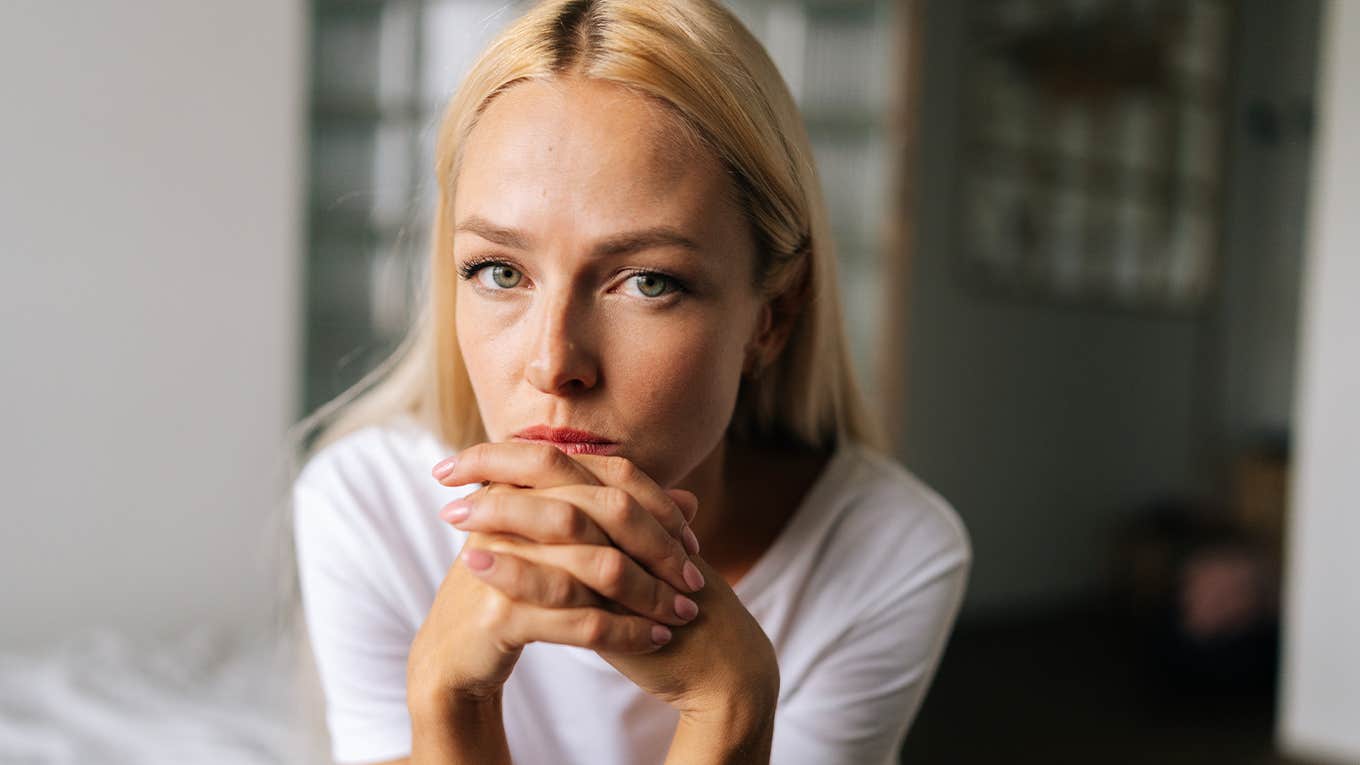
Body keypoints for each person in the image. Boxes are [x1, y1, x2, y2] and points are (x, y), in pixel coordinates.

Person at [290, 0, 971, 762]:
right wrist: (448, 702)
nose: (554, 363)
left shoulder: (886, 551)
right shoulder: (368, 505)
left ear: (770, 317)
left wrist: (732, 704)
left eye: (648, 282)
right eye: (499, 271)